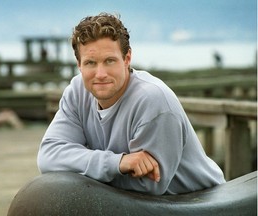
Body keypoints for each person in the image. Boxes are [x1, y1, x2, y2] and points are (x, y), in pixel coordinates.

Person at [37, 13, 225, 195]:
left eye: (109, 61)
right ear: (79, 64)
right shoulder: (77, 92)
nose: (100, 73)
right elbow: (48, 156)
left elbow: (149, 184)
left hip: (199, 202)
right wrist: (117, 163)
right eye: (90, 63)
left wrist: (80, 167)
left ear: (127, 59)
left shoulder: (153, 101)